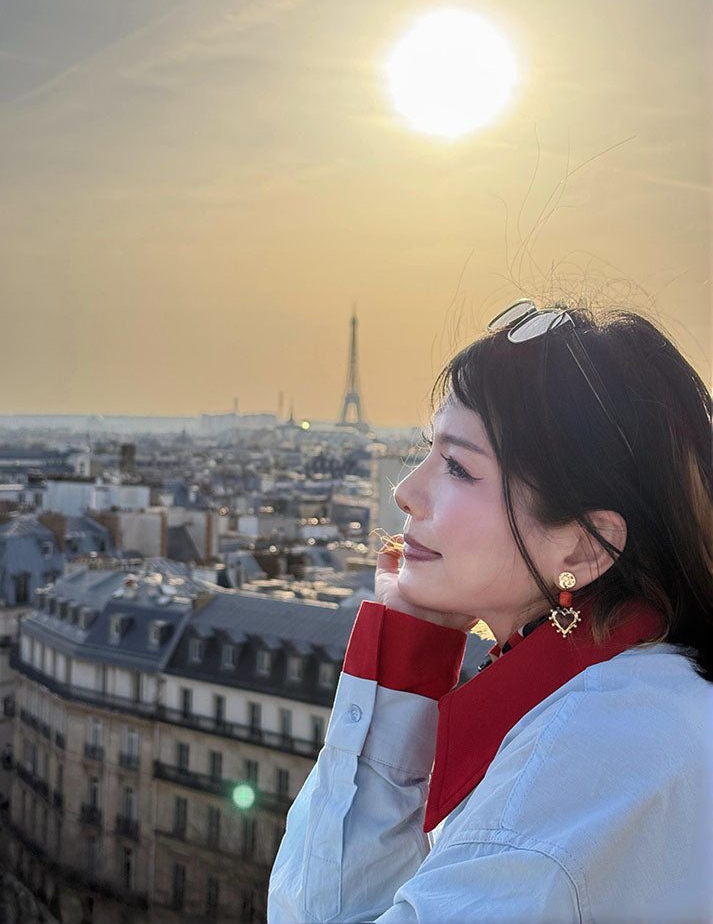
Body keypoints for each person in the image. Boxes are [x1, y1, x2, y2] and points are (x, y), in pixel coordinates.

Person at [268, 301, 713, 924]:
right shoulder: (642, 707)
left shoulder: (575, 766)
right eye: (428, 450)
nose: (406, 491)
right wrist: (411, 647)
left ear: (583, 548)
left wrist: (395, 683)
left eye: (457, 466)